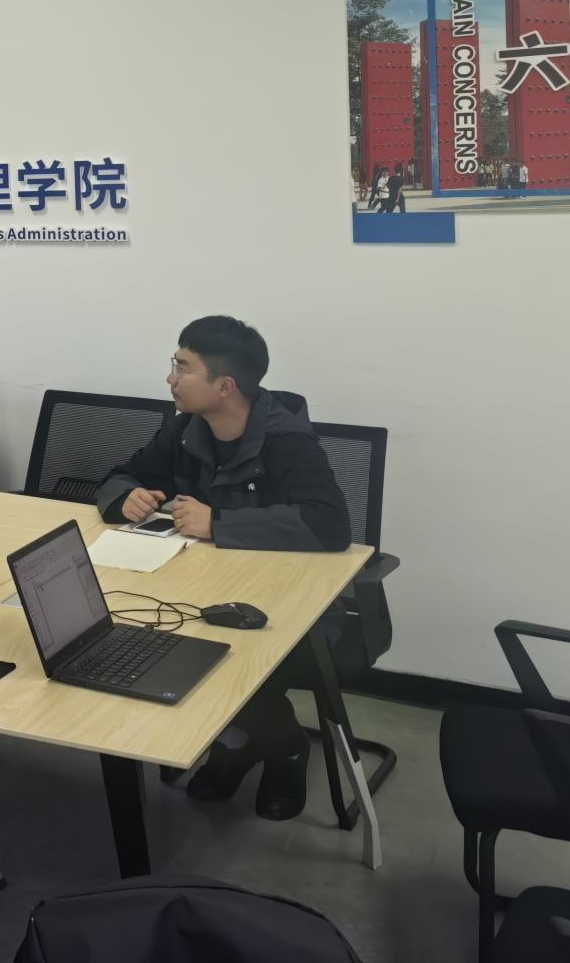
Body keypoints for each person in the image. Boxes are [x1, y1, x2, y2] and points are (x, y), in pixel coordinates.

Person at [95, 316, 349, 820]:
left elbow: (330, 525)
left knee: (229, 663)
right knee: (156, 637)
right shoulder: (186, 429)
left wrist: (220, 523)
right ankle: (240, 743)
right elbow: (120, 475)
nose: (170, 378)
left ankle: (285, 749)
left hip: (298, 605)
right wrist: (126, 497)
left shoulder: (286, 441)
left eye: (182, 367)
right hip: (209, 592)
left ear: (225, 386)